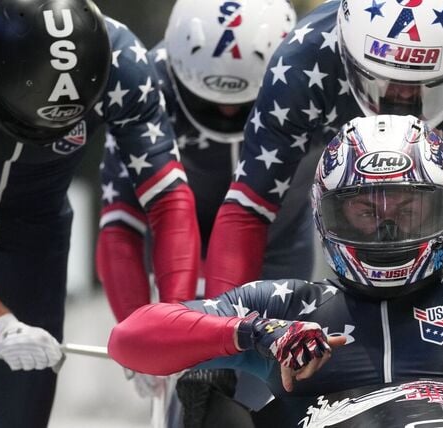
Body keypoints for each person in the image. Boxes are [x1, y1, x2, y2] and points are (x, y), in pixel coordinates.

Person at [108, 115, 443, 424]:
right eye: (363, 212)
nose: (387, 232)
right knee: (205, 391)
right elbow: (130, 338)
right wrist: (259, 334)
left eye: (408, 210)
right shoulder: (289, 308)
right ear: (329, 214)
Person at [0, 0, 199, 426]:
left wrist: (172, 327)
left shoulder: (124, 61)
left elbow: (169, 199)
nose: (37, 136)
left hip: (32, 245)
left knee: (14, 418)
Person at [204, 0, 443, 297]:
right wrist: (217, 338)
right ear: (348, 53)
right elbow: (249, 206)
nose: (401, 96)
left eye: (424, 85)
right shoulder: (303, 60)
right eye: (383, 80)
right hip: (344, 141)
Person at [94, 0, 298, 418]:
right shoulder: (144, 80)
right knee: (195, 383)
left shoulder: (304, 73)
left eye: (242, 104)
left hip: (279, 238)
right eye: (209, 101)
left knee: (272, 380)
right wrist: (144, 330)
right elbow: (120, 223)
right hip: (185, 240)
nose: (227, 112)